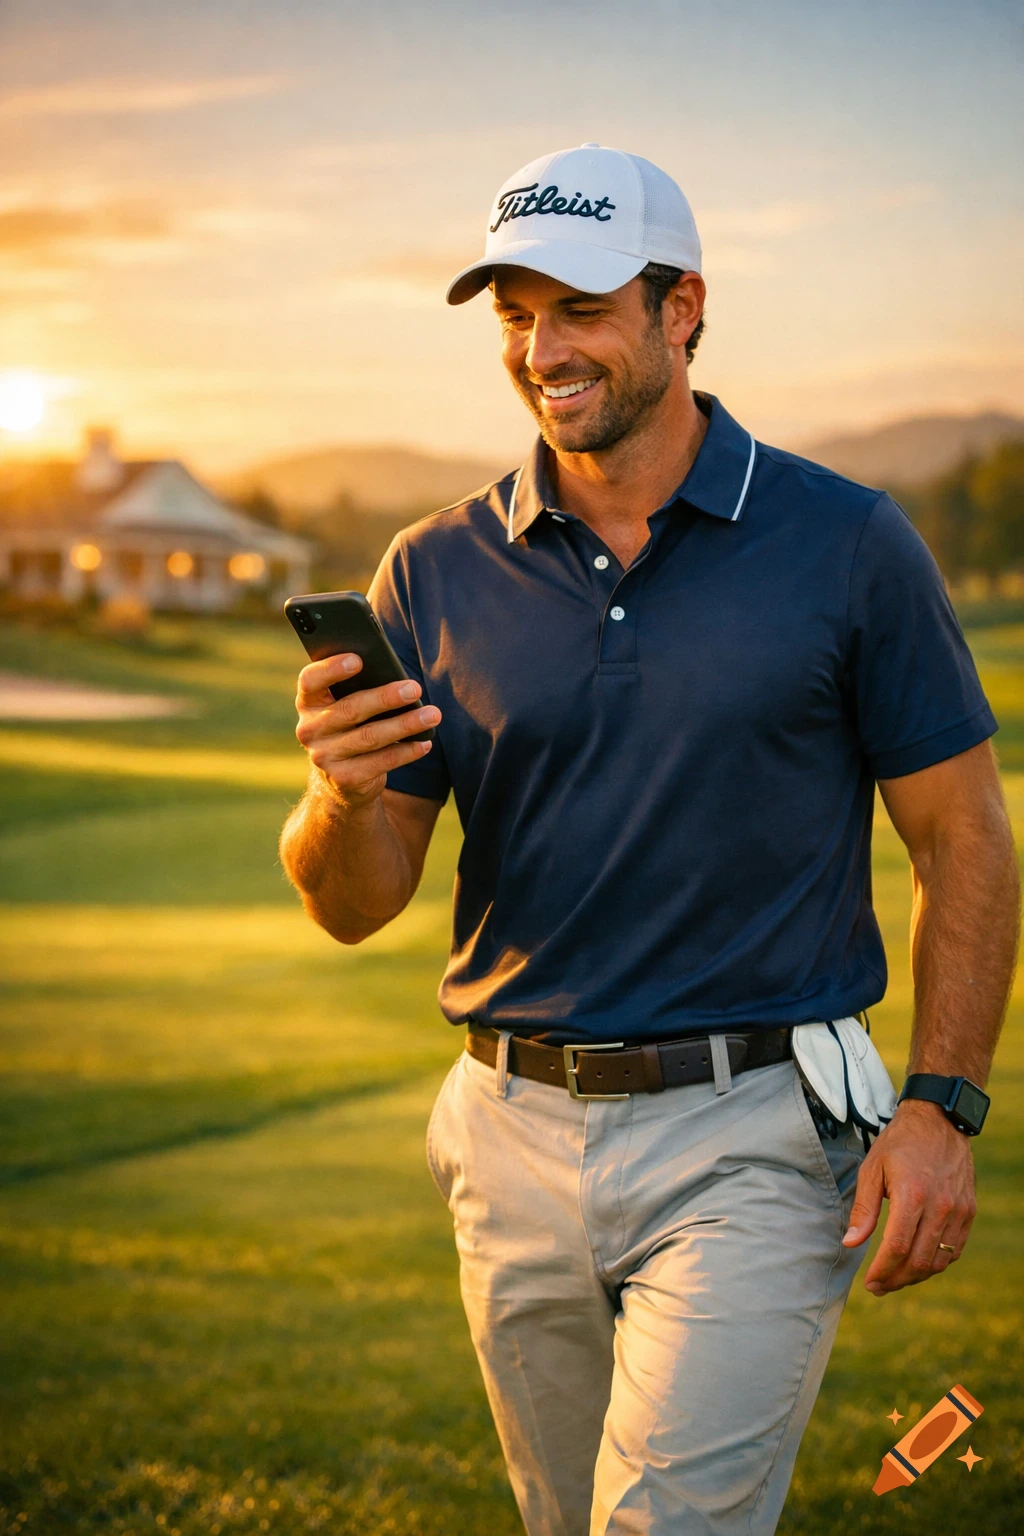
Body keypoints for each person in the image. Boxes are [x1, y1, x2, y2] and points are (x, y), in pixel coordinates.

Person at [279, 144, 1019, 1535]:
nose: (542, 349)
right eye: (515, 314)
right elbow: (356, 904)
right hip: (505, 1130)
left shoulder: (847, 543)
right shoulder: (433, 569)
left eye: (581, 307)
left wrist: (942, 1102)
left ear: (682, 308)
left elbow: (965, 842)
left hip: (754, 1133)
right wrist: (343, 794)